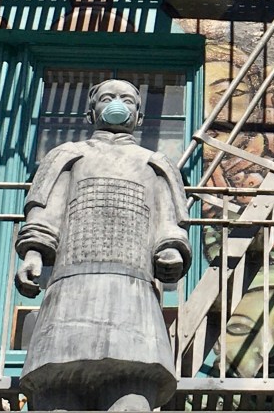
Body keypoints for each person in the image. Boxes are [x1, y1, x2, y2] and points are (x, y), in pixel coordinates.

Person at [15, 80, 191, 411]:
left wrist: (170, 248)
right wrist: (34, 254)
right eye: (107, 98)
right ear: (90, 112)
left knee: (133, 397)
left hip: (133, 294)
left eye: (127, 99)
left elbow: (168, 219)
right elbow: (46, 213)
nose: (117, 105)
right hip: (72, 292)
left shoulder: (154, 163)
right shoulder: (68, 156)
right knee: (58, 397)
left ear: (139, 117)